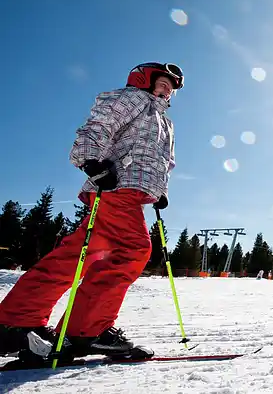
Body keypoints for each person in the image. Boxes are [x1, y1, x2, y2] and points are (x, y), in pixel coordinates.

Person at [0, 62, 183, 360]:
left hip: (131, 192)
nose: (167, 90)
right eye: (163, 82)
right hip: (115, 186)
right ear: (144, 79)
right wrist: (91, 162)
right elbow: (99, 126)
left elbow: (164, 161)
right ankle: (86, 330)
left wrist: (159, 193)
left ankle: (17, 320)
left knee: (76, 256)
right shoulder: (132, 99)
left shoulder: (165, 122)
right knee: (132, 249)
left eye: (171, 88)